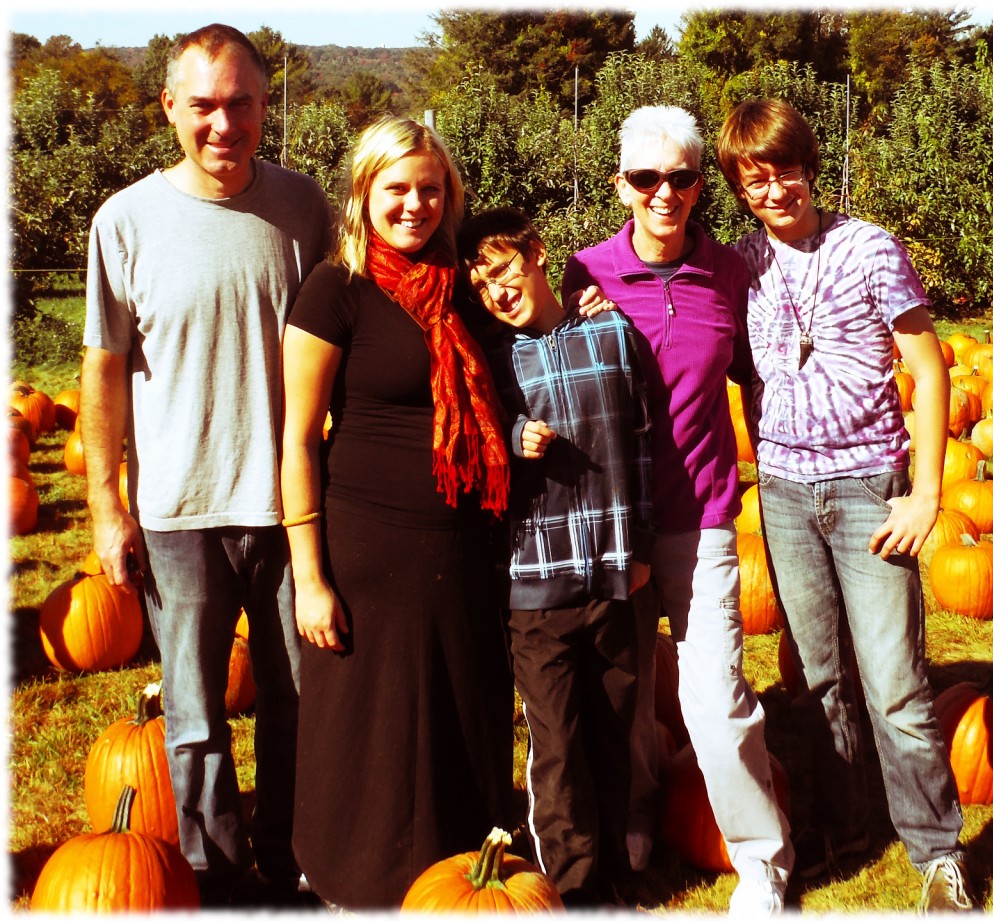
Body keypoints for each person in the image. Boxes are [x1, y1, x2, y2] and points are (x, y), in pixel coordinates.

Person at [80, 23, 333, 906]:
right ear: (170, 110)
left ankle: (293, 854)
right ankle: (217, 875)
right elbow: (103, 366)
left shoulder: (306, 209)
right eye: (204, 106)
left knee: (298, 700)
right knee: (192, 715)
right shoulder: (126, 221)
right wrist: (108, 506)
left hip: (288, 507)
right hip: (176, 509)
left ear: (267, 106)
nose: (223, 124)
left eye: (241, 105)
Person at [716, 97, 974, 913]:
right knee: (819, 676)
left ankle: (937, 850)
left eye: (784, 168)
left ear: (810, 166)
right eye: (755, 178)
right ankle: (848, 821)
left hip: (869, 487)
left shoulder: (870, 249)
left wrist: (927, 492)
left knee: (894, 680)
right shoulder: (741, 263)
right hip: (785, 494)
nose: (774, 188)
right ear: (739, 187)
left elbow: (928, 368)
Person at [562, 105, 793, 915]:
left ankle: (763, 858)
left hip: (700, 518)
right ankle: (633, 812)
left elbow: (763, 378)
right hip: (609, 522)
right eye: (646, 178)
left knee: (714, 698)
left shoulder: (731, 273)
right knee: (620, 690)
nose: (665, 192)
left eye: (682, 177)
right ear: (621, 184)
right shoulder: (582, 273)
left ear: (701, 186)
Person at [279, 116, 514, 910]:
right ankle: (353, 878)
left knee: (459, 704)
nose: (414, 204)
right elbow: (298, 439)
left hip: (462, 541)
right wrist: (309, 576)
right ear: (363, 193)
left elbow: (531, 329)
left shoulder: (465, 286)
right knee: (367, 724)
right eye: (397, 189)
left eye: (430, 189)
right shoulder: (335, 289)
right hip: (366, 546)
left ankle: (454, 872)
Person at [456, 207, 653, 906]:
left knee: (610, 731)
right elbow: (476, 447)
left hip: (610, 570)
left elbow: (644, 443)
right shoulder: (490, 357)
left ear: (538, 255)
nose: (497, 291)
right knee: (558, 746)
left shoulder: (612, 331)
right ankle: (570, 888)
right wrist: (512, 437)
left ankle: (614, 877)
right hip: (535, 585)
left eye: (503, 270)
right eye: (481, 285)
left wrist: (642, 550)